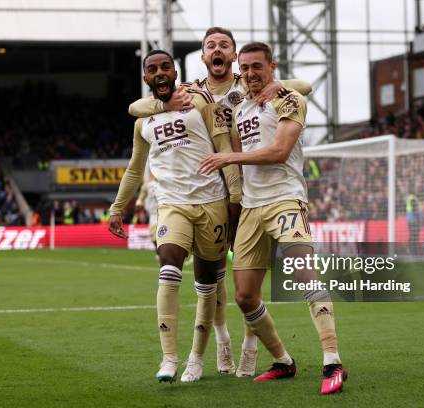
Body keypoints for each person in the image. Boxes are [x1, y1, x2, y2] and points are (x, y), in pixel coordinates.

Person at [128, 26, 313, 378]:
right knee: (217, 275)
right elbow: (135, 107)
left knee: (250, 280)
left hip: (254, 190)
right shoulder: (191, 92)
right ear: (202, 56)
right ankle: (222, 338)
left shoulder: (249, 83)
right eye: (210, 45)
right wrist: (164, 103)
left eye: (224, 45)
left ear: (232, 56)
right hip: (213, 190)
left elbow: (303, 87)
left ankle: (250, 345)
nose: (217, 49)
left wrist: (280, 86)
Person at [199, 42, 347, 394]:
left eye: (257, 67)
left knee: (304, 275)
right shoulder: (238, 106)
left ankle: (332, 360)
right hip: (251, 207)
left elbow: (280, 152)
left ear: (272, 66)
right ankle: (283, 360)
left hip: (284, 200)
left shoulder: (289, 99)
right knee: (245, 297)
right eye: (245, 68)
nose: (250, 74)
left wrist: (230, 159)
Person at [108, 49, 242, 383]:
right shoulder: (143, 122)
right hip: (173, 204)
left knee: (207, 283)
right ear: (146, 78)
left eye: (165, 67)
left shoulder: (200, 103)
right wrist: (117, 207)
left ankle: (198, 357)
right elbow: (135, 169)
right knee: (168, 265)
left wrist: (235, 198)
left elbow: (225, 150)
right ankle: (169, 358)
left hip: (212, 201)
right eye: (152, 69)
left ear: (175, 71)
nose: (160, 72)